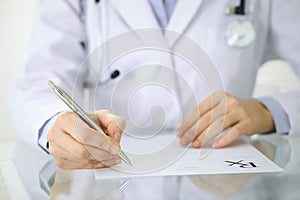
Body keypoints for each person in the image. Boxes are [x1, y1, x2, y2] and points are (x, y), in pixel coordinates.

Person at [9, 0, 300, 173]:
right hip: (116, 178)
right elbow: (34, 86)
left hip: (226, 172)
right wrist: (55, 125)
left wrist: (269, 111)